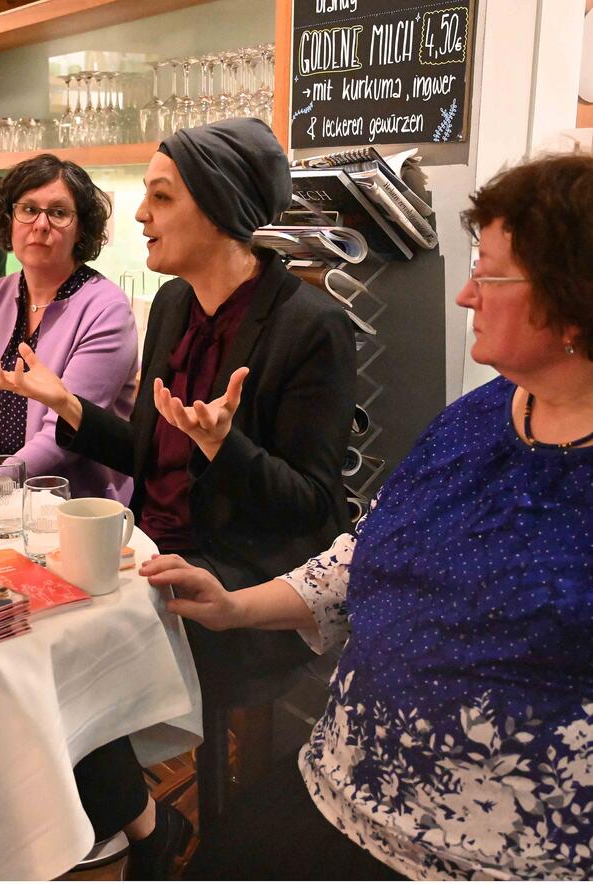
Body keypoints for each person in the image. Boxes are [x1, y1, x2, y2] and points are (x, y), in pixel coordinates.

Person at [144, 152, 593, 879]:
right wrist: (235, 604)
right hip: (342, 786)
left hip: (494, 859)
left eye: (492, 273)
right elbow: (364, 551)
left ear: (574, 300)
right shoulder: (477, 418)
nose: (466, 295)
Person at [0, 118, 356, 878]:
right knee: (10, 639)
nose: (141, 216)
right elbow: (154, 454)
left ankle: (153, 830)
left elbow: (316, 509)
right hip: (151, 547)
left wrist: (227, 447)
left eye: (160, 196)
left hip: (240, 575)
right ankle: (140, 822)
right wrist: (71, 407)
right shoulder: (175, 307)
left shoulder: (310, 326)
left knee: (50, 657)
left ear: (217, 207)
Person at [0, 154, 137, 500]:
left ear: (81, 228)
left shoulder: (106, 309)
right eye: (28, 209)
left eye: (58, 212)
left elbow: (64, 434)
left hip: (65, 497)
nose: (41, 224)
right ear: (9, 219)